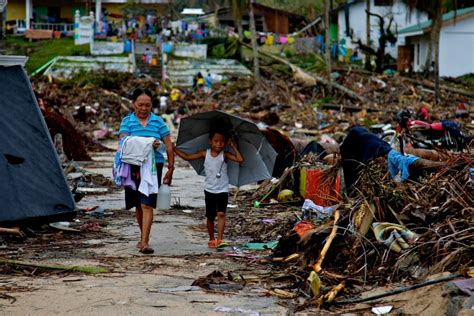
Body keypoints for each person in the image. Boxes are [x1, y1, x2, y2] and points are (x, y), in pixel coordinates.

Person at [118, 88, 175, 254]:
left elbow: (169, 145)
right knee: (138, 204)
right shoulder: (127, 122)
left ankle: (144, 242)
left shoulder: (158, 122)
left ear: (152, 105)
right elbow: (123, 141)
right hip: (133, 166)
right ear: (133, 104)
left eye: (147, 105)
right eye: (140, 105)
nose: (144, 108)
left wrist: (171, 168)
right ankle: (142, 237)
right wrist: (147, 143)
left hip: (153, 166)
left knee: (147, 204)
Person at [174, 129, 243, 248]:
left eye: (222, 142)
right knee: (210, 216)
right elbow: (187, 157)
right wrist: (173, 148)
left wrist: (233, 146)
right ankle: (211, 239)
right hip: (209, 190)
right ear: (210, 141)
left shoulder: (225, 155)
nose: (219, 144)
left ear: (225, 143)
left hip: (222, 189)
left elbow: (240, 159)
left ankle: (220, 240)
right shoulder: (204, 153)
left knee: (221, 214)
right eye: (216, 141)